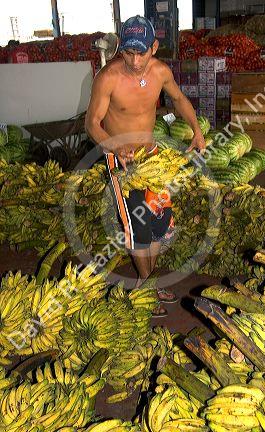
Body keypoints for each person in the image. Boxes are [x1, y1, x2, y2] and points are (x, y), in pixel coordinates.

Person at [85, 15, 206, 317]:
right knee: (137, 227)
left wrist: (197, 130)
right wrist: (114, 146)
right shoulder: (108, 77)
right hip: (121, 159)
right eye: (128, 52)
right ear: (121, 48)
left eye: (141, 52)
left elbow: (178, 99)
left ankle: (145, 283)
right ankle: (147, 289)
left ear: (154, 47)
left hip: (152, 157)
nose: (135, 60)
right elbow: (92, 124)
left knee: (157, 224)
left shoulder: (161, 72)